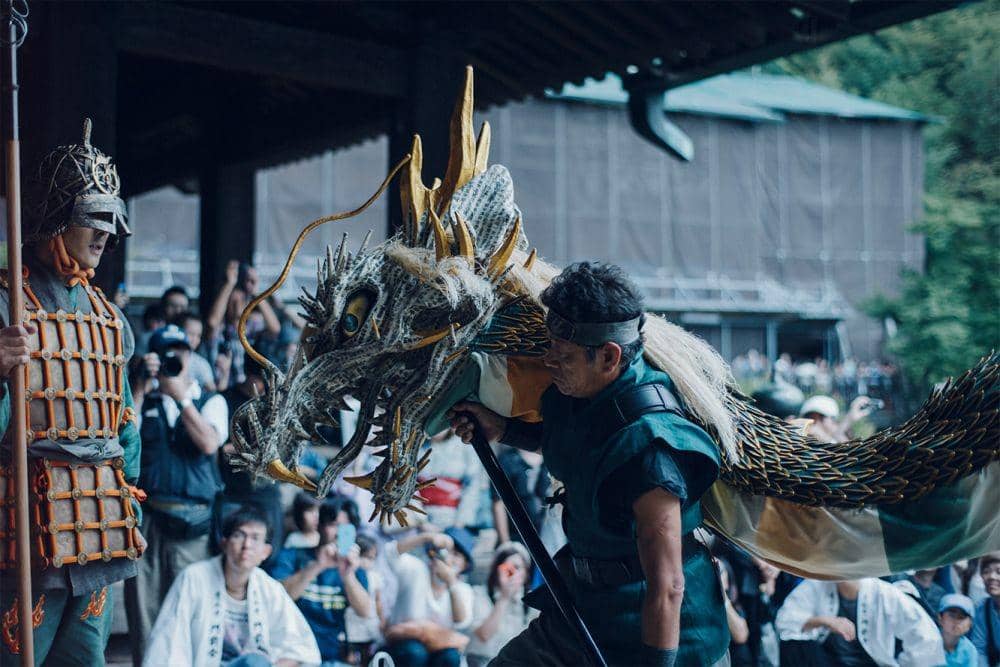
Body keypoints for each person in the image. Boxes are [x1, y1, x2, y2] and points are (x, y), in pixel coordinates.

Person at [449, 262, 729, 666]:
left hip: (666, 636)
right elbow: (578, 448)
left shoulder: (652, 450)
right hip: (584, 609)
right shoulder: (578, 392)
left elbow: (667, 585)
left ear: (609, 357)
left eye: (562, 354)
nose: (549, 361)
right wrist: (504, 430)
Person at [0, 119, 144, 664]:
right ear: (58, 219)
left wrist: (130, 502)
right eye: (94, 217)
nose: (106, 233)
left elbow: (123, 422)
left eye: (112, 220)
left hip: (98, 526)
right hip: (23, 524)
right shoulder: (8, 304)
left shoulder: (109, 319)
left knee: (86, 659)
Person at [129, 323, 230, 653]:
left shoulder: (210, 400)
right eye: (164, 354)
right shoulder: (143, 397)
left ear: (190, 356)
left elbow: (208, 443)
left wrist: (181, 397)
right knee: (143, 606)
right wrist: (141, 388)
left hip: (193, 523)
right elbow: (124, 438)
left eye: (179, 352)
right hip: (148, 520)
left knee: (189, 605)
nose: (173, 359)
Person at [144, 506, 321, 667]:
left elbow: (300, 647)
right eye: (239, 535)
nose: (247, 545)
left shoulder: (269, 588)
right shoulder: (193, 578)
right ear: (224, 543)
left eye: (255, 538)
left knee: (256, 662)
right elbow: (169, 642)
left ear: (265, 552)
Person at [270, 499, 373, 666]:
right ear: (319, 525)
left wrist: (347, 575)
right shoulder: (292, 556)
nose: (339, 533)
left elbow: (365, 611)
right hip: (290, 651)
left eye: (346, 528)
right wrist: (318, 565)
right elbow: (277, 597)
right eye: (333, 525)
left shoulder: (354, 568)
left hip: (331, 656)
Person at [775, 577, 945, 666]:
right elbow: (785, 621)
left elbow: (925, 635)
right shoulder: (818, 585)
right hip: (829, 661)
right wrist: (825, 621)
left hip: (870, 663)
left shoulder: (883, 593)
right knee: (793, 645)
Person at [217, 355, 284, 556]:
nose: (264, 386)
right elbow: (220, 448)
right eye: (261, 379)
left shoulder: (274, 403)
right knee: (228, 550)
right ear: (249, 375)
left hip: (265, 491)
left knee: (268, 551)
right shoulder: (225, 400)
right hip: (233, 490)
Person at [383, 528, 476, 667]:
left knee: (450, 657)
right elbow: (390, 553)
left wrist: (451, 582)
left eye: (456, 555)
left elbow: (462, 621)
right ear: (433, 553)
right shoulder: (416, 569)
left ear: (465, 565)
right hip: (404, 646)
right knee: (415, 653)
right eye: (446, 552)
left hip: (438, 649)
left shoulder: (464, 590)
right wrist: (427, 537)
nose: (448, 558)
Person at [466, 542, 538, 667]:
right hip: (482, 661)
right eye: (507, 567)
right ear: (496, 570)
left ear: (526, 574)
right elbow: (484, 635)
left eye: (517, 567)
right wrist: (504, 597)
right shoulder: (479, 594)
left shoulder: (532, 601)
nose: (512, 572)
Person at [416, 429, 487, 529]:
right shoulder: (416, 446)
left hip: (453, 516)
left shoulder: (464, 445)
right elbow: (408, 485)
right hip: (419, 517)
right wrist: (420, 521)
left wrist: (460, 521)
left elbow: (472, 485)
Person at [173, 310, 218, 391]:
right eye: (190, 333)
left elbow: (212, 390)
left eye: (198, 335)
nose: (195, 339)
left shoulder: (200, 363)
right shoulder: (167, 356)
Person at [971, 552, 1000, 666]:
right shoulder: (982, 609)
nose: (992, 577)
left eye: (999, 572)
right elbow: (979, 649)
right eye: (986, 571)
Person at [939, 594, 978, 667]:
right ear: (940, 618)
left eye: (961, 617)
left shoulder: (969, 650)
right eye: (952, 615)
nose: (956, 621)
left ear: (970, 624)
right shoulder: (928, 643)